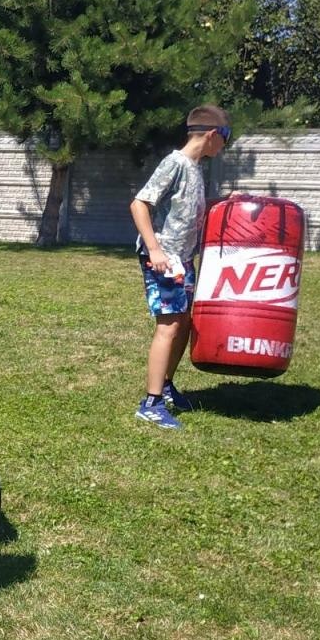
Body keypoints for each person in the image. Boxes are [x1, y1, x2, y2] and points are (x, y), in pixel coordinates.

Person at [128, 104, 231, 430]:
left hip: (184, 259)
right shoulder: (174, 163)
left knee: (184, 323)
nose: (225, 146)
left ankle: (166, 386)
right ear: (213, 134)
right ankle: (151, 403)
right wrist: (155, 250)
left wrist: (224, 202)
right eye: (226, 138)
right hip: (164, 258)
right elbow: (139, 204)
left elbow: (189, 209)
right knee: (169, 325)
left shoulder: (195, 169)